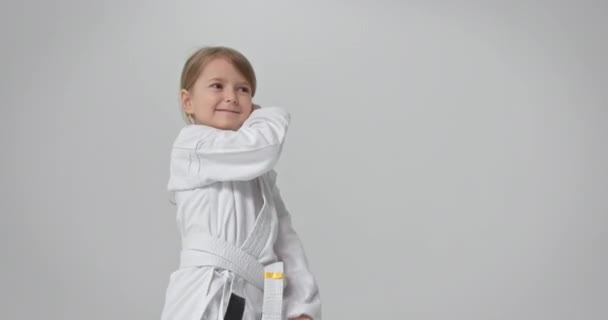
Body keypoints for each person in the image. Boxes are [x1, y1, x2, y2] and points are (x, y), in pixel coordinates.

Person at [160, 46, 322, 320]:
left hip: (253, 298)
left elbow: (285, 240)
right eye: (217, 86)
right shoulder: (192, 147)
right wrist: (269, 115)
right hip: (207, 295)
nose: (231, 97)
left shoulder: (258, 174)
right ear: (188, 102)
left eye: (243, 89)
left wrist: (301, 306)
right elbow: (263, 147)